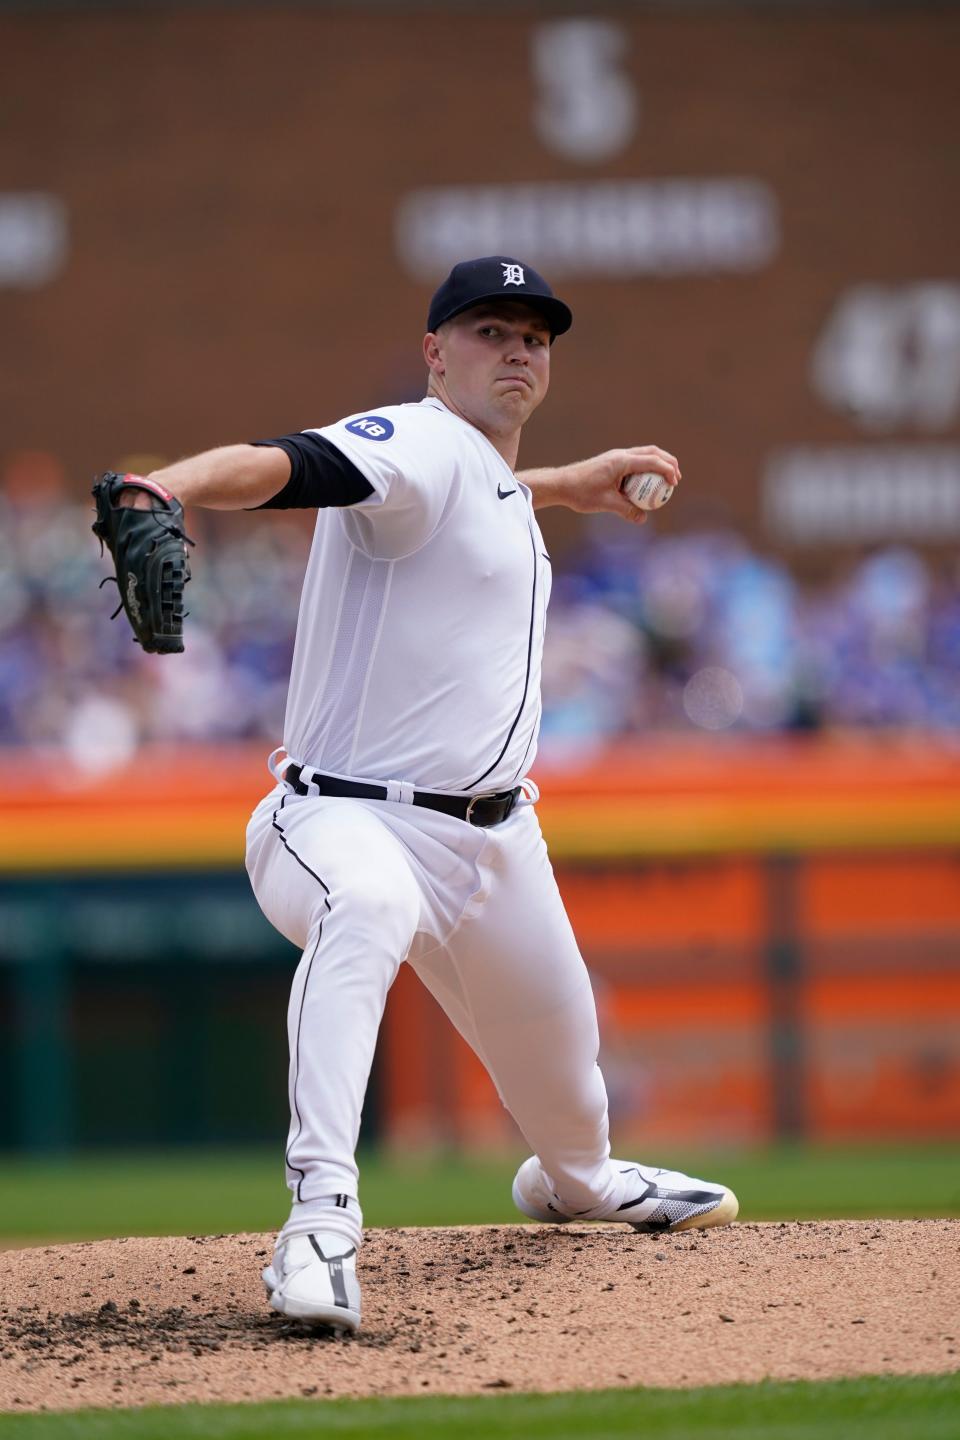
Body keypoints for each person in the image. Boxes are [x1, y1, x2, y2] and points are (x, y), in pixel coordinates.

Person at [117, 256, 737, 1334]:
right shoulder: (412, 437)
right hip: (341, 818)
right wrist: (164, 487)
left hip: (493, 846)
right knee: (369, 908)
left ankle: (579, 1186)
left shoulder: (485, 477)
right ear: (434, 353)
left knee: (576, 1114)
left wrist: (566, 479)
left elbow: (473, 491)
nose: (516, 350)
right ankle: (319, 1220)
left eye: (533, 338)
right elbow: (292, 465)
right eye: (490, 330)